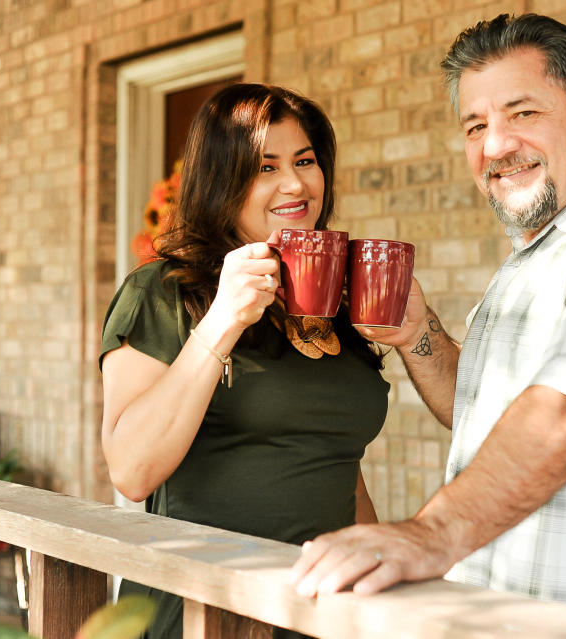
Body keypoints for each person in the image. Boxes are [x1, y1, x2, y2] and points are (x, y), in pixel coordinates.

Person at [290, 13, 566, 625]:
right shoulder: (534, 259)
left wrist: (430, 535)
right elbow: (486, 416)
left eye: (523, 114)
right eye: (475, 125)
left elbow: (565, 412)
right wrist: (420, 335)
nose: (495, 146)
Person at [100, 83, 388, 639]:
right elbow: (132, 472)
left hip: (314, 613)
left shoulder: (333, 302)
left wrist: (369, 606)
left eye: (305, 161)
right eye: (266, 167)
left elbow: (333, 462)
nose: (295, 184)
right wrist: (223, 321)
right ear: (221, 182)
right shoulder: (163, 291)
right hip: (199, 612)